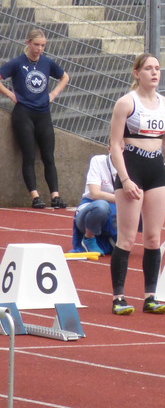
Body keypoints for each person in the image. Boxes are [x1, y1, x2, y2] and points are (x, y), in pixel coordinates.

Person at [108, 53, 165, 316]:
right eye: (149, 69)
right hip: (132, 169)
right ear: (136, 73)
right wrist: (126, 179)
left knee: (153, 237)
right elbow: (115, 145)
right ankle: (118, 297)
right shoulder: (126, 103)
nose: (154, 73)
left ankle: (150, 296)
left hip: (156, 172)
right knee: (127, 238)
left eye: (158, 69)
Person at [0, 28, 70, 209]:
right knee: (29, 155)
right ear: (28, 43)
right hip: (24, 113)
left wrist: (53, 93)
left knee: (48, 155)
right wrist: (10, 94)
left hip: (43, 113)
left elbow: (64, 77)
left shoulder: (46, 63)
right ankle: (35, 196)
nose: (39, 49)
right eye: (36, 45)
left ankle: (55, 195)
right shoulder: (17, 63)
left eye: (43, 46)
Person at [70, 153, 118, 255]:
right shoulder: (98, 161)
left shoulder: (131, 164)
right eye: (119, 148)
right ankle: (88, 238)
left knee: (142, 210)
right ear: (110, 148)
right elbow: (95, 194)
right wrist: (122, 199)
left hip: (116, 208)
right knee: (101, 206)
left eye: (125, 149)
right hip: (90, 206)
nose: (122, 152)